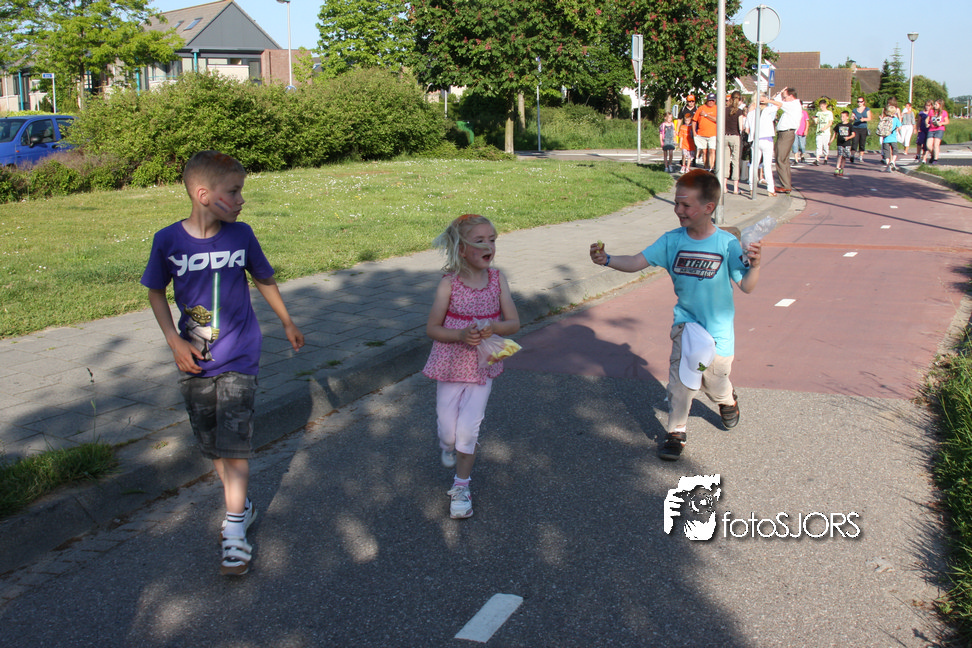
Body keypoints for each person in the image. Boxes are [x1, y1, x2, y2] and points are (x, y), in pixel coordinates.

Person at [141, 150, 305, 576]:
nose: (240, 200)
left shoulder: (242, 235)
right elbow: (156, 291)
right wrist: (173, 340)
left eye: (240, 191)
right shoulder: (168, 240)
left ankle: (234, 529)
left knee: (234, 444)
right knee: (212, 443)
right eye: (233, 192)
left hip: (240, 354)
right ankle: (243, 506)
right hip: (194, 357)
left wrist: (287, 321)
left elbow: (264, 278)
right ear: (203, 195)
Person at [589, 170, 761, 461]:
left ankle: (727, 399)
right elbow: (636, 261)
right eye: (676, 203)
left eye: (685, 205)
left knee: (713, 381)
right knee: (681, 381)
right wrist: (607, 259)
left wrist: (755, 266)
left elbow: (746, 285)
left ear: (708, 207)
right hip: (687, 325)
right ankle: (676, 432)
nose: (678, 210)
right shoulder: (672, 241)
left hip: (718, 332)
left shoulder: (726, 244)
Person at [423, 214, 520, 519]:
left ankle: (461, 487)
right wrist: (460, 335)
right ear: (461, 249)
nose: (489, 245)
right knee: (448, 433)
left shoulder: (498, 279)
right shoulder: (449, 284)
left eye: (492, 239)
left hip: (482, 365)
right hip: (450, 363)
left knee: (468, 429)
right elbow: (432, 328)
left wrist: (494, 326)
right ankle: (447, 444)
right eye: (479, 241)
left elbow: (514, 323)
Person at [767, 87, 801, 193]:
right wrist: (780, 93)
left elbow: (779, 103)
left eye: (785, 97)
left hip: (787, 133)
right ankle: (786, 184)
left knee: (780, 159)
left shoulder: (793, 104)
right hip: (784, 134)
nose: (784, 99)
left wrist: (767, 100)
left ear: (791, 96)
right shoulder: (791, 105)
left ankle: (785, 185)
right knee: (783, 160)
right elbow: (780, 102)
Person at [744, 96, 777, 196]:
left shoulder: (750, 114)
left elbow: (746, 129)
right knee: (767, 165)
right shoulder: (767, 110)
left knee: (754, 164)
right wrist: (769, 100)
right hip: (767, 139)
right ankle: (770, 189)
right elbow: (780, 105)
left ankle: (751, 187)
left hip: (755, 140)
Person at [724, 91, 745, 194]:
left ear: (731, 99)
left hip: (725, 136)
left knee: (725, 161)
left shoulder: (725, 110)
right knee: (735, 161)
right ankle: (736, 188)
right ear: (739, 100)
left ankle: (724, 186)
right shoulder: (739, 112)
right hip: (735, 136)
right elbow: (740, 127)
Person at [693, 93, 719, 173]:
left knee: (712, 150)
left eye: (712, 100)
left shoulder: (717, 108)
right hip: (701, 134)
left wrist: (706, 115)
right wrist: (694, 131)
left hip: (713, 134)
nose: (711, 102)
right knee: (704, 152)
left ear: (715, 101)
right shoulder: (701, 108)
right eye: (709, 100)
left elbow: (717, 119)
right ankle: (706, 167)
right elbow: (694, 120)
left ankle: (712, 168)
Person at [830, 111, 856, 177]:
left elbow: (853, 134)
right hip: (840, 143)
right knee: (840, 155)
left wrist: (848, 138)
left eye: (843, 117)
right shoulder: (838, 125)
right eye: (841, 116)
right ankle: (837, 168)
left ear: (847, 117)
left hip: (847, 143)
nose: (842, 118)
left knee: (844, 156)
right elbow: (835, 134)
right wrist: (831, 141)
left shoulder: (850, 125)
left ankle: (842, 168)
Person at [925, 99, 950, 165]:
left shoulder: (944, 112)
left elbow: (947, 121)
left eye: (936, 104)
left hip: (939, 129)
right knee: (928, 145)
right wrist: (927, 123)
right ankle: (933, 155)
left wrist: (941, 123)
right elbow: (927, 119)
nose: (934, 105)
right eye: (934, 104)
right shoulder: (931, 111)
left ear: (940, 105)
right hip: (931, 129)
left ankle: (935, 159)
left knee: (936, 144)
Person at [878, 106, 902, 172]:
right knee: (895, 151)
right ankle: (893, 161)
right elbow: (900, 127)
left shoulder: (885, 119)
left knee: (886, 153)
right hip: (893, 138)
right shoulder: (895, 119)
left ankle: (888, 166)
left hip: (885, 139)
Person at [813, 99, 834, 165]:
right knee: (818, 145)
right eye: (820, 106)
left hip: (826, 132)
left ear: (825, 105)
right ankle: (817, 159)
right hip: (819, 132)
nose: (821, 107)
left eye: (822, 106)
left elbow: (830, 122)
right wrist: (814, 119)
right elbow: (817, 122)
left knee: (825, 146)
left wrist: (825, 128)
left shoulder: (829, 113)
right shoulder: (818, 113)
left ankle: (825, 158)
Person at [851, 97, 871, 163]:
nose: (859, 103)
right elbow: (851, 118)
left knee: (862, 142)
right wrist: (852, 119)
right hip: (855, 127)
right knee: (854, 142)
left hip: (863, 128)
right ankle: (852, 155)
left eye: (861, 101)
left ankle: (860, 157)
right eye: (858, 101)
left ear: (863, 102)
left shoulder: (867, 109)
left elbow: (869, 118)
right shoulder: (854, 110)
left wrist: (864, 119)